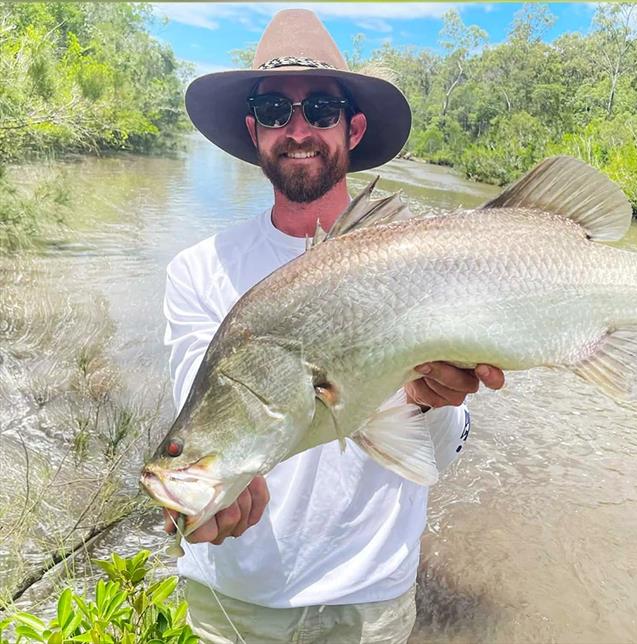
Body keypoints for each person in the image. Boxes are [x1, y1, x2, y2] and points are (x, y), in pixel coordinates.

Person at [162, 9, 505, 643]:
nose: (298, 130)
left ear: (353, 126)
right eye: (273, 110)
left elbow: (437, 455)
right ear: (253, 129)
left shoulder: (423, 259)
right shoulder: (197, 270)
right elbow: (203, 412)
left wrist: (431, 401)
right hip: (235, 603)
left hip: (368, 604)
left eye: (320, 109)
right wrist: (211, 491)